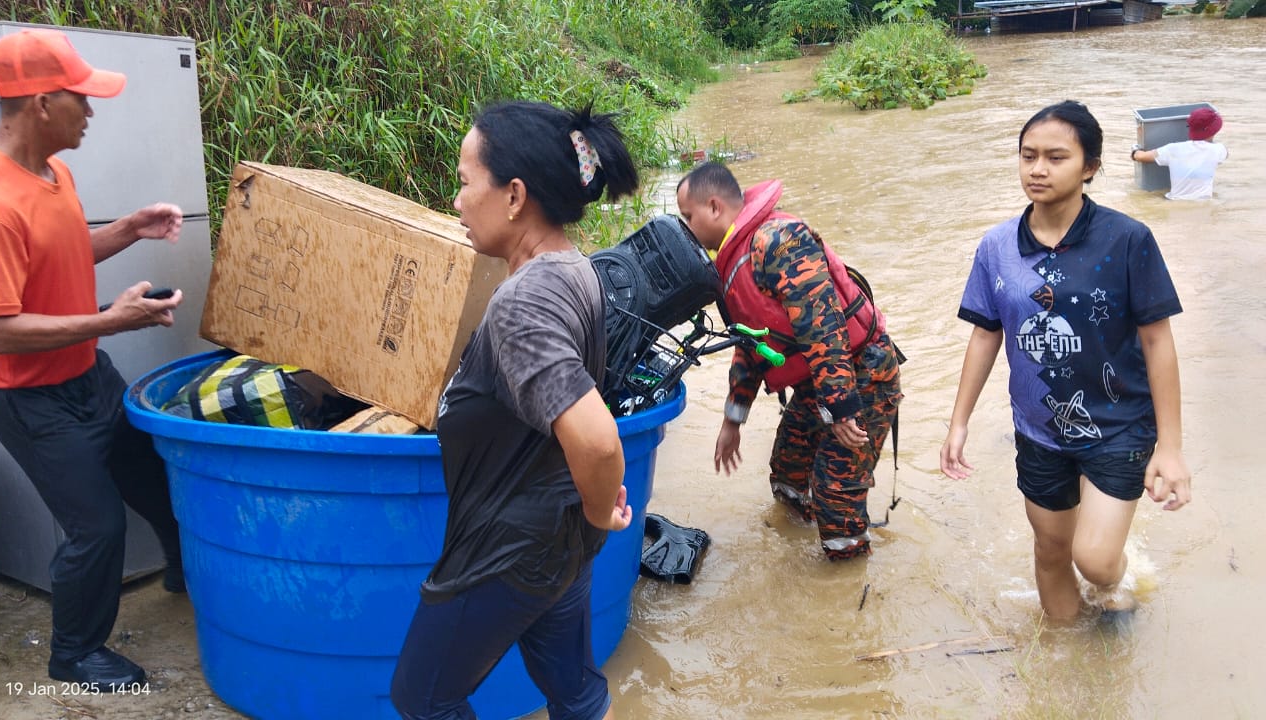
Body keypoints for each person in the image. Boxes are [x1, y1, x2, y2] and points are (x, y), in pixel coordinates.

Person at [389, 100, 639, 720]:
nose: (456, 200)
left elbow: (599, 442)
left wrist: (597, 505)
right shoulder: (571, 268)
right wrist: (592, 516)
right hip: (559, 541)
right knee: (574, 691)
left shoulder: (523, 304)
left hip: (508, 549)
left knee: (422, 699)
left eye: (465, 181)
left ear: (514, 195)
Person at [0, 29, 188, 690]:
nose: (92, 112)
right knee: (96, 526)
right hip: (28, 396)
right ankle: (73, 653)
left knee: (156, 477)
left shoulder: (55, 172)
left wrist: (128, 229)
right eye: (82, 99)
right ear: (43, 104)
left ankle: (188, 568)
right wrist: (112, 320)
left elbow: (63, 254)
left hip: (86, 374)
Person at [940, 100, 1192, 621]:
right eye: (1028, 156)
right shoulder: (997, 247)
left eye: (1056, 157)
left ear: (1090, 167)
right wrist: (958, 423)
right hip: (1038, 430)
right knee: (1051, 552)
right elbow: (986, 335)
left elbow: (1157, 343)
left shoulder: (1126, 240)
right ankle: (1064, 659)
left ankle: (1119, 579)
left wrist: (1170, 447)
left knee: (1095, 560)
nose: (1037, 169)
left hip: (1118, 424)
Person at [675, 162, 902, 561]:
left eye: (688, 217)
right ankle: (798, 551)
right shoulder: (731, 264)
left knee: (836, 494)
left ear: (713, 207)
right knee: (788, 474)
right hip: (821, 383)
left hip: (862, 373)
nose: (686, 228)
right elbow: (750, 343)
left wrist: (842, 409)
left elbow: (823, 327)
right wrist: (733, 419)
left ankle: (845, 584)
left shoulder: (778, 241)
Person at [1131, 106, 1228, 200]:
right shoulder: (1219, 150)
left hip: (1175, 201)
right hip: (1204, 202)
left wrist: (1135, 150)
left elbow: (1141, 157)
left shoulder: (1172, 149)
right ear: (1214, 132)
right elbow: (1225, 154)